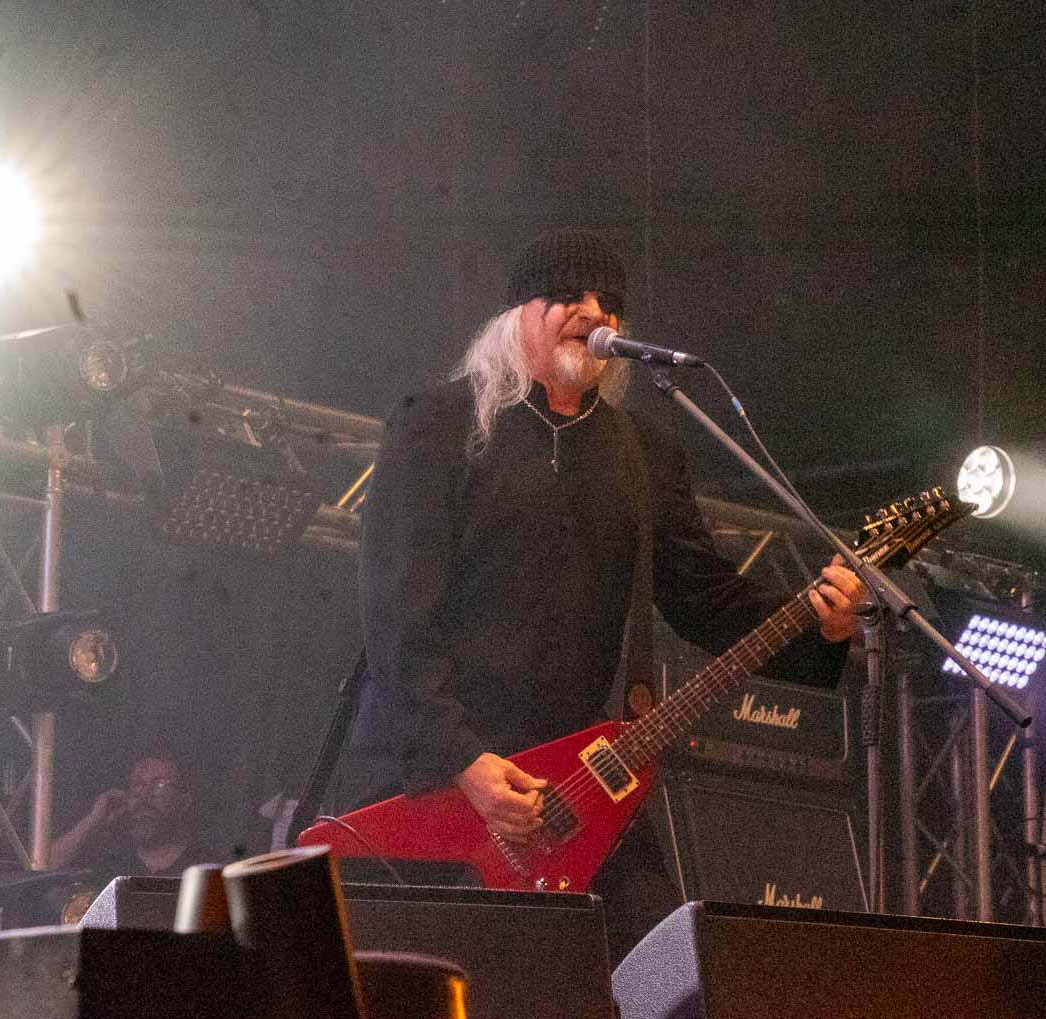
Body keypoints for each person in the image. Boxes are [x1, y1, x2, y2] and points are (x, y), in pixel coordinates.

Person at [344, 227, 865, 959]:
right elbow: (396, 619)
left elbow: (706, 598)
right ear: (517, 314)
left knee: (662, 973)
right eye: (568, 295)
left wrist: (818, 626)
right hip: (435, 781)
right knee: (443, 988)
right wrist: (464, 760)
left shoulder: (640, 451)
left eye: (609, 302)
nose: (594, 312)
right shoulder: (438, 425)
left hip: (575, 786)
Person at [51, 748, 213, 879]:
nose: (145, 794)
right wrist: (91, 821)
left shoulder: (207, 869)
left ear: (183, 801)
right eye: (138, 783)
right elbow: (45, 871)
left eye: (159, 784)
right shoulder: (109, 860)